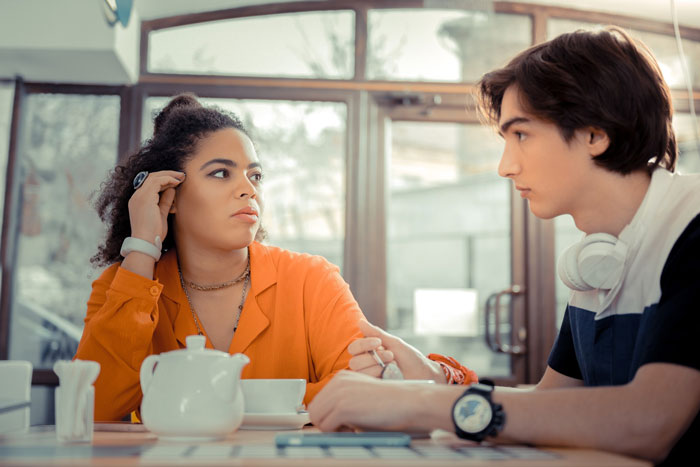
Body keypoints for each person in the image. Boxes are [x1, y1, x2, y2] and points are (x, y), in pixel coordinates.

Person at [308, 27, 700, 466]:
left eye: (522, 135)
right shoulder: (599, 259)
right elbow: (550, 404)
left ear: (595, 134)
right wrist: (434, 381)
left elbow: (649, 422)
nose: (504, 166)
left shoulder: (693, 230)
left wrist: (418, 403)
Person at [75, 94, 371, 421]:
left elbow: (363, 390)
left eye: (254, 175)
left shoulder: (312, 280)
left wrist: (211, 405)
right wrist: (143, 247)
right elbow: (93, 409)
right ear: (168, 195)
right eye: (220, 173)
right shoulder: (123, 285)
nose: (249, 190)